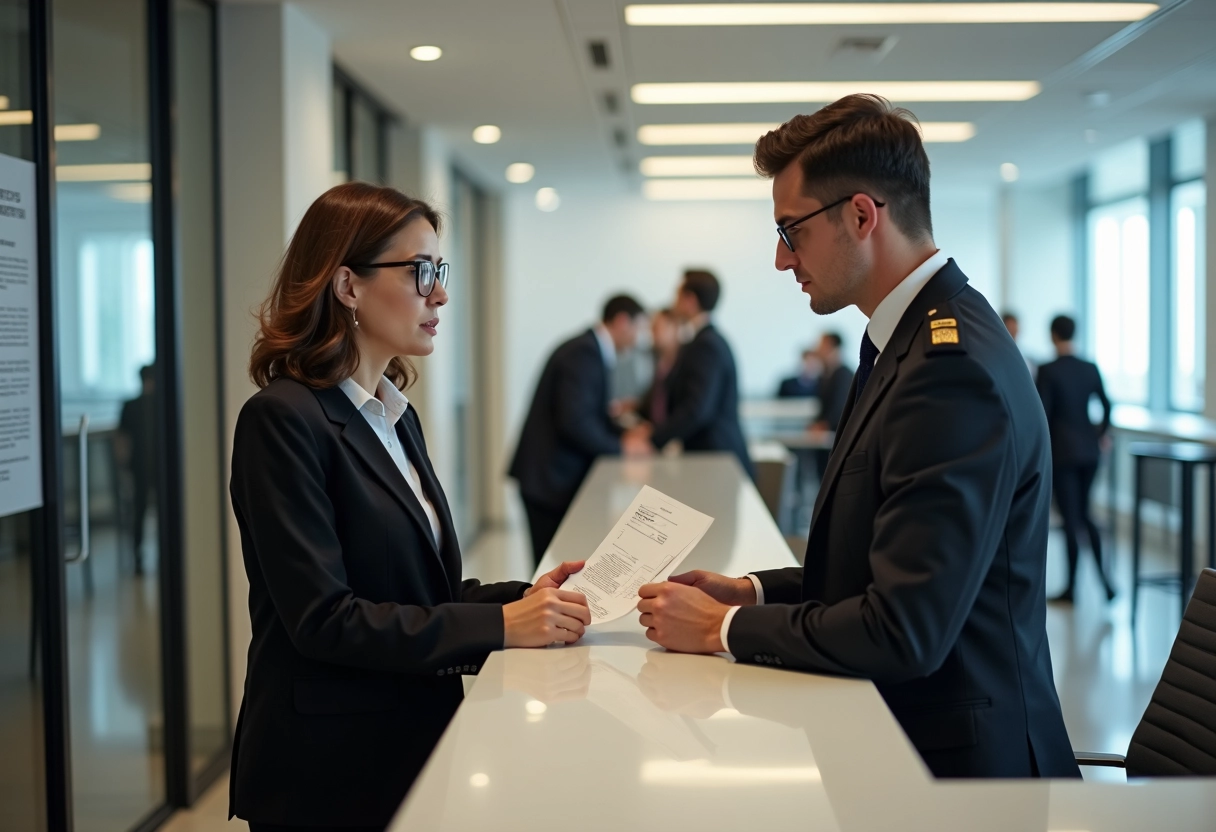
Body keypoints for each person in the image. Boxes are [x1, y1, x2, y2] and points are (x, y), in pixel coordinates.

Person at [636, 94, 1079, 779]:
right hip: (907, 742)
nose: (783, 260)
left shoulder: (949, 368)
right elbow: (878, 563)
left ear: (862, 216)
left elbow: (903, 630)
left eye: (792, 232)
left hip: (958, 780)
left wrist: (719, 629)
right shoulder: (910, 339)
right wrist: (748, 593)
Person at [228, 182, 592, 832]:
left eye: (440, 271)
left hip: (409, 738)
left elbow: (421, 590)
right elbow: (326, 619)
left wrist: (527, 597)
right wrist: (507, 627)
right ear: (347, 286)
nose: (441, 294)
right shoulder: (281, 421)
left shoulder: (394, 418)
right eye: (421, 272)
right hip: (327, 771)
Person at [509, 294, 650, 565]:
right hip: (549, 479)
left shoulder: (590, 349)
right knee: (550, 569)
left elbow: (592, 414)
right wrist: (622, 448)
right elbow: (575, 422)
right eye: (639, 328)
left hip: (554, 476)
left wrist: (624, 434)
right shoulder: (583, 353)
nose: (639, 338)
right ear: (622, 322)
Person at [642, 270, 754, 479]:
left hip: (717, 459)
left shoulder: (706, 345)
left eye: (677, 294)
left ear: (690, 300)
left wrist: (653, 439)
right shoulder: (703, 341)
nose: (673, 301)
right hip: (712, 459)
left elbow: (697, 408)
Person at [1036, 314, 1115, 604]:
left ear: (1053, 335)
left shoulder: (1048, 370)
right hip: (1089, 452)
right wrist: (1101, 435)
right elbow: (1107, 406)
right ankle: (1106, 582)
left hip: (1063, 453)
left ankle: (1072, 588)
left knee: (1071, 518)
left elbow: (1042, 413)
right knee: (1084, 514)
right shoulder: (1089, 367)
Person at [116, 364, 156, 574]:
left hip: (143, 467)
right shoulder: (137, 405)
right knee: (141, 512)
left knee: (140, 512)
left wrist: (124, 466)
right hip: (148, 468)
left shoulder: (134, 405)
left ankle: (138, 557)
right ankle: (138, 556)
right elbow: (122, 439)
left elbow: (122, 441)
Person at [807, 331, 854, 478]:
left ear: (831, 346)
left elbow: (841, 406)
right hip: (824, 440)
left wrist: (824, 424)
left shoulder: (844, 374)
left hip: (839, 439)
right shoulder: (824, 375)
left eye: (821, 344)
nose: (817, 348)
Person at [639, 307, 680, 428]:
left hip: (676, 433)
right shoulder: (655, 359)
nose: (652, 334)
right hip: (656, 430)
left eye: (656, 328)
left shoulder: (687, 360)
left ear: (674, 328)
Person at [1003, 311, 1036, 379]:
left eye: (1014, 327)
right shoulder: (998, 354)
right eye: (1010, 328)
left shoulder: (1026, 356)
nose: (1013, 331)